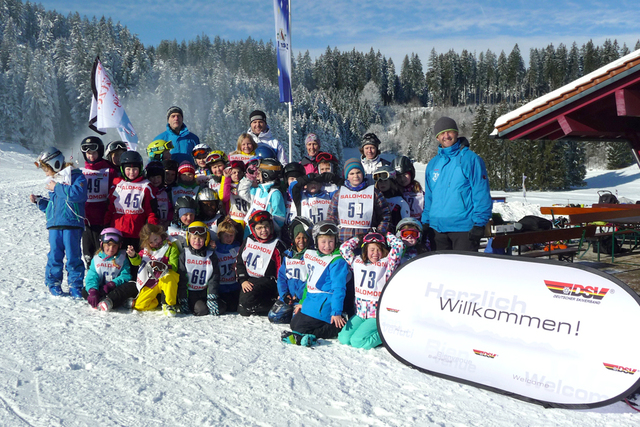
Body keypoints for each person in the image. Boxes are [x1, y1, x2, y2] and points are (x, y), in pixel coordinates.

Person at [422, 117, 492, 252]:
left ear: (457, 133)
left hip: (464, 229)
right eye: (442, 133)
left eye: (450, 132)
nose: (446, 136)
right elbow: (430, 197)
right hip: (437, 229)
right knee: (441, 272)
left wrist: (479, 223)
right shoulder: (433, 164)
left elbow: (481, 193)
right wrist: (425, 222)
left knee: (464, 272)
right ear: (437, 137)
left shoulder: (470, 159)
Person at [30, 147, 88, 297]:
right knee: (54, 255)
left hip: (72, 224)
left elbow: (78, 195)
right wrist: (40, 202)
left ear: (55, 164)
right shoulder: (54, 181)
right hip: (55, 225)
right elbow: (54, 205)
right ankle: (53, 282)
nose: (46, 173)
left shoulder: (76, 177)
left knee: (73, 255)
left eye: (46, 168)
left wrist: (57, 187)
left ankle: (75, 284)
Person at [284, 221, 351, 344]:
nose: (327, 245)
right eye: (323, 242)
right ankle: (306, 333)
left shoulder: (337, 261)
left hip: (325, 305)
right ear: (316, 241)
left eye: (331, 241)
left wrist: (336, 312)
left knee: (301, 328)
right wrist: (302, 302)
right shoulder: (314, 256)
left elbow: (339, 288)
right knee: (294, 323)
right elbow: (309, 282)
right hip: (311, 302)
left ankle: (335, 327)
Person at [338, 232, 404, 350]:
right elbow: (344, 249)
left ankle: (385, 335)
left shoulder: (387, 264)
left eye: (378, 250)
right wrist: (357, 239)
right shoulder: (357, 262)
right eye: (372, 250)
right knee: (343, 338)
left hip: (376, 315)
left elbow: (398, 245)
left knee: (357, 342)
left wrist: (387, 235)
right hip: (360, 313)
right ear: (365, 251)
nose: (375, 253)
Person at [327, 158, 391, 243]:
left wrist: (379, 232)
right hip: (343, 239)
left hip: (368, 241)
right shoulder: (339, 194)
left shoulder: (374, 193)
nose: (355, 176)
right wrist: (332, 236)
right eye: (352, 173)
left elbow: (385, 215)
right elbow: (331, 217)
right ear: (347, 176)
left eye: (358, 172)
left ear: (363, 174)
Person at [104, 151, 158, 251]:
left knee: (134, 261)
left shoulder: (146, 186)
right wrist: (106, 224)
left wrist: (152, 230)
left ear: (140, 169)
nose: (131, 172)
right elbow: (110, 207)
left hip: (137, 232)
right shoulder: (118, 184)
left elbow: (151, 212)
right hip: (117, 231)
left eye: (135, 169)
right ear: (123, 169)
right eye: (128, 169)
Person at [236, 210, 286, 316]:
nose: (263, 230)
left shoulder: (277, 245)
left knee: (245, 304)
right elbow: (240, 262)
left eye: (266, 226)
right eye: (259, 228)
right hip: (250, 279)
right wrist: (243, 280)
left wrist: (280, 292)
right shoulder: (248, 240)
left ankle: (274, 303)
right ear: (254, 229)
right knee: (242, 308)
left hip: (269, 281)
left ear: (271, 226)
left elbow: (280, 270)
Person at [125, 223, 181, 316]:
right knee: (140, 305)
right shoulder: (147, 250)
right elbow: (138, 262)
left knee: (170, 277)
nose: (155, 243)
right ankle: (159, 301)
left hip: (166, 278)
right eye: (151, 242)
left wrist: (162, 267)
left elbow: (174, 265)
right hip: (152, 280)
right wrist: (133, 255)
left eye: (156, 239)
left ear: (159, 233)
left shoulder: (171, 246)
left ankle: (169, 304)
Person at [79, 136, 117, 267]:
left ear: (100, 152)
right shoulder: (82, 172)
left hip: (103, 219)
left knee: (103, 253)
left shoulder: (109, 170)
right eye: (88, 154)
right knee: (88, 254)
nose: (91, 156)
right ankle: (92, 281)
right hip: (86, 220)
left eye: (94, 153)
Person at [269, 217, 313, 324]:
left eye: (304, 237)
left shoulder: (311, 256)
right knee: (273, 316)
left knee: (296, 321)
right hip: (289, 297)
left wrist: (299, 296)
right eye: (298, 237)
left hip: (302, 298)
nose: (301, 241)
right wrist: (284, 294)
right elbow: (282, 277)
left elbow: (310, 280)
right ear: (293, 238)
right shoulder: (288, 255)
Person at [177, 222, 221, 316]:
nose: (197, 241)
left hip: (205, 291)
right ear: (189, 239)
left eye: (200, 238)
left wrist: (212, 296)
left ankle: (208, 301)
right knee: (202, 310)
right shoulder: (184, 255)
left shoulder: (211, 255)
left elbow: (214, 277)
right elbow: (182, 278)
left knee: (223, 308)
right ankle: (189, 304)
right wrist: (183, 297)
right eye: (194, 238)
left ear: (206, 239)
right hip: (191, 293)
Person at [83, 228, 133, 309]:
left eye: (114, 246)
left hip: (115, 288)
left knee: (132, 286)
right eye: (108, 245)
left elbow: (126, 275)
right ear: (102, 244)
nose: (111, 249)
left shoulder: (122, 258)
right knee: (85, 290)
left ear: (119, 246)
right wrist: (93, 290)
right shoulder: (96, 259)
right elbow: (92, 276)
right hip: (101, 288)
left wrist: (113, 284)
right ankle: (98, 299)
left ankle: (109, 301)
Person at [238, 157, 286, 235]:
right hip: (250, 234)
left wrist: (262, 230)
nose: (256, 175)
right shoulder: (259, 190)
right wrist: (248, 178)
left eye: (259, 172)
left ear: (266, 174)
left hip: (263, 237)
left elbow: (279, 220)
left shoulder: (275, 194)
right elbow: (242, 192)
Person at [215, 217, 242, 312]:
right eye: (226, 236)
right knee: (228, 307)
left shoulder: (238, 247)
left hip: (234, 284)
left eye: (231, 235)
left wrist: (238, 264)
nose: (229, 239)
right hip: (221, 286)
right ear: (220, 235)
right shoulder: (215, 249)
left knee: (236, 307)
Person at [373, 164, 410, 231]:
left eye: (385, 180)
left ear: (391, 181)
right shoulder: (374, 199)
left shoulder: (400, 202)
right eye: (380, 181)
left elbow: (406, 224)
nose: (382, 184)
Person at [393, 155, 424, 220]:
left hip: (417, 224)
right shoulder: (394, 192)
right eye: (399, 176)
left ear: (411, 173)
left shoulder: (419, 192)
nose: (402, 179)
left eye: (405, 175)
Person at [145, 161, 172, 228]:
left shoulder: (166, 192)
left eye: (158, 177)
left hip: (165, 225)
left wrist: (168, 221)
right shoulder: (146, 191)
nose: (155, 180)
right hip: (150, 225)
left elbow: (171, 209)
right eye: (153, 177)